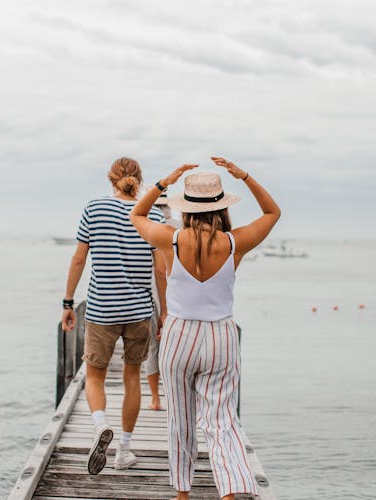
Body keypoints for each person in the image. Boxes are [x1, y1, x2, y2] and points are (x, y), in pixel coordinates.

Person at [130, 157, 281, 500]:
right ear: (221, 206)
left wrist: (164, 182)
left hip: (179, 335)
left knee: (181, 421)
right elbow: (272, 213)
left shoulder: (169, 239)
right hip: (220, 336)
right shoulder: (233, 243)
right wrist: (243, 176)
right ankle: (229, 492)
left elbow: (136, 214)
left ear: (187, 207)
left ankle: (183, 496)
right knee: (222, 422)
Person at [61, 157, 167, 475]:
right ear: (139, 178)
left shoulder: (94, 208)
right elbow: (160, 270)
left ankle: (99, 425)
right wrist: (164, 312)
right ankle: (123, 450)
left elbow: (79, 258)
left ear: (111, 178)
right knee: (132, 376)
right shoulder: (154, 214)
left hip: (102, 308)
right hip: (138, 311)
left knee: (95, 376)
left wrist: (68, 302)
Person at [145, 191, 182, 411]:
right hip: (178, 290)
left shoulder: (147, 227)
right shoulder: (179, 226)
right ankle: (174, 397)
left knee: (153, 347)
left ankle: (155, 399)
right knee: (175, 347)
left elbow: (158, 270)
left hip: (152, 291)